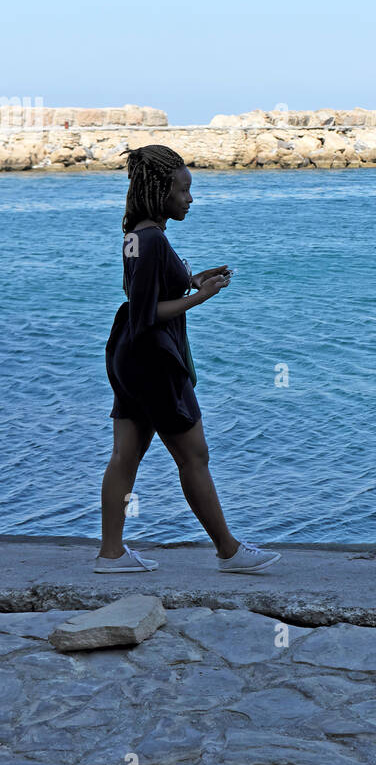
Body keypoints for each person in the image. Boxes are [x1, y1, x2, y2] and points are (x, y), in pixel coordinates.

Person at [99, 145, 280, 575]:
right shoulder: (154, 240)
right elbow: (147, 313)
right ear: (162, 190)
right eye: (183, 190)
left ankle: (111, 554)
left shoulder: (135, 235)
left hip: (126, 356)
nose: (190, 199)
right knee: (193, 456)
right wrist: (202, 295)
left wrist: (193, 279)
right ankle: (229, 552)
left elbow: (145, 295)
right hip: (152, 361)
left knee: (125, 456)